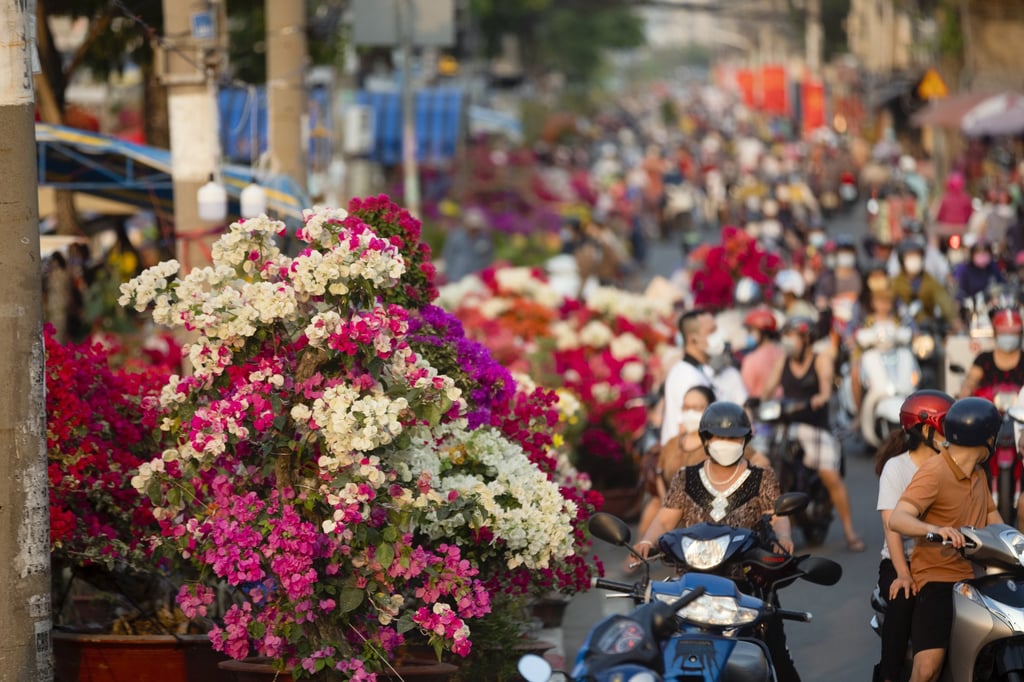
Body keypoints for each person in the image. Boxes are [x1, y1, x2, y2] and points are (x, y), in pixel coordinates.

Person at [633, 401, 800, 682]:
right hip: (690, 587)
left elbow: (776, 515)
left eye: (734, 437)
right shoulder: (686, 478)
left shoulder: (762, 478)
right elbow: (664, 520)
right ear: (706, 440)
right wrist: (645, 543)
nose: (727, 443)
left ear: (745, 440)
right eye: (720, 437)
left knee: (775, 655)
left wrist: (783, 537)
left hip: (746, 585)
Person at [887, 397, 1003, 682]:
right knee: (928, 668)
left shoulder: (978, 474)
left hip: (976, 579)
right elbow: (898, 518)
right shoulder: (935, 472)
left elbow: (994, 518)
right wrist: (936, 530)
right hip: (938, 578)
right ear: (985, 439)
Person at [761, 317, 865, 552]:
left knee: (829, 476)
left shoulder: (821, 360)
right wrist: (756, 402)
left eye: (793, 336)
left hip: (815, 428)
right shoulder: (783, 361)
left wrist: (820, 397)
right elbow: (767, 389)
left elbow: (826, 388)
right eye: (785, 336)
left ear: (806, 339)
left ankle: (849, 531)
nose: (788, 342)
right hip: (786, 427)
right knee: (763, 465)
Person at [872, 390, 955, 682]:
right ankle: (889, 674)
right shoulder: (896, 468)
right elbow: (891, 529)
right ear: (924, 430)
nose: (953, 433)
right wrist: (903, 574)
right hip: (901, 560)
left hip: (943, 561)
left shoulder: (954, 465)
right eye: (947, 425)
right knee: (904, 597)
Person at [659, 309, 718, 446]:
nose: (719, 336)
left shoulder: (696, 370)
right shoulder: (688, 377)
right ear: (693, 339)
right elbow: (686, 426)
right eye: (712, 331)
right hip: (685, 456)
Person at [891, 239, 960, 332]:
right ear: (902, 259)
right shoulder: (895, 283)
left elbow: (944, 301)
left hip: (927, 329)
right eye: (910, 256)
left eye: (917, 255)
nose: (914, 259)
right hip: (900, 329)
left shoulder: (931, 282)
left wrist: (955, 321)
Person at [957, 308, 1024, 398]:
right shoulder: (983, 360)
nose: (1008, 336)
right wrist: (966, 389)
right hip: (987, 410)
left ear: (1020, 334)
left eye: (1013, 333)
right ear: (995, 333)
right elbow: (971, 381)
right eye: (1003, 332)